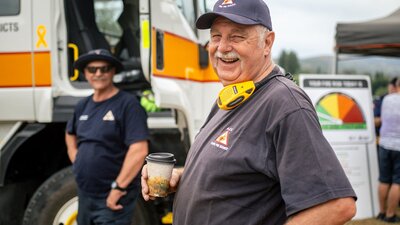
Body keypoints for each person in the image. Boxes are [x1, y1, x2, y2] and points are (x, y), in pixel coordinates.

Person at [141, 0, 357, 224]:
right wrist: (181, 176)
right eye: (216, 36)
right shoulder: (231, 97)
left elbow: (337, 206)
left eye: (236, 37)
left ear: (267, 43)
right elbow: (231, 171)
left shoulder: (285, 103)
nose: (222, 47)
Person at [65, 48, 149, 225]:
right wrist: (77, 159)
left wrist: (118, 188)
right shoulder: (82, 105)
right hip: (86, 194)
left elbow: (139, 150)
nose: (98, 74)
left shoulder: (128, 104)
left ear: (113, 72)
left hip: (113, 197)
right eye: (92, 69)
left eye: (104, 69)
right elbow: (70, 134)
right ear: (85, 74)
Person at [376, 77, 400, 223]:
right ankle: (390, 215)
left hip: (384, 144)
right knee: (397, 182)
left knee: (384, 180)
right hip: (399, 147)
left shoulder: (386, 99)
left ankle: (381, 212)